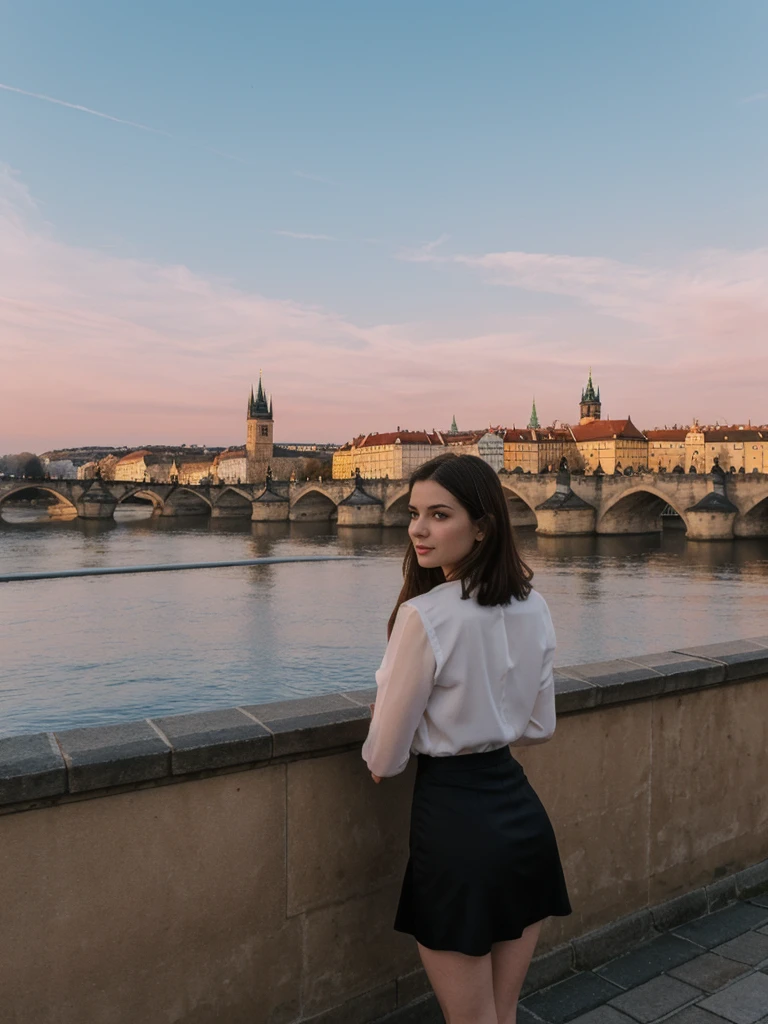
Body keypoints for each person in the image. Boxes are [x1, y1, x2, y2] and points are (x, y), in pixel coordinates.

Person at [362, 452, 571, 1024]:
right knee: (501, 1015)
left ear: (482, 526)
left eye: (439, 515)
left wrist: (387, 718)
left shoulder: (425, 615)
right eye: (414, 513)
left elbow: (385, 756)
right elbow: (539, 726)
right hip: (522, 818)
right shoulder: (536, 606)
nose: (418, 530)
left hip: (455, 826)